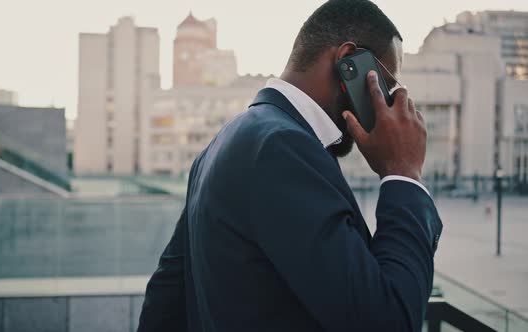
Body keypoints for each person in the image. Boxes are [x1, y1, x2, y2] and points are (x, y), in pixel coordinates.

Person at [138, 0, 443, 331]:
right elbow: (388, 320)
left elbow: (166, 296)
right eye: (387, 85)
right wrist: (403, 174)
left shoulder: (227, 140)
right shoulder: (283, 148)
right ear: (347, 63)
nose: (384, 103)